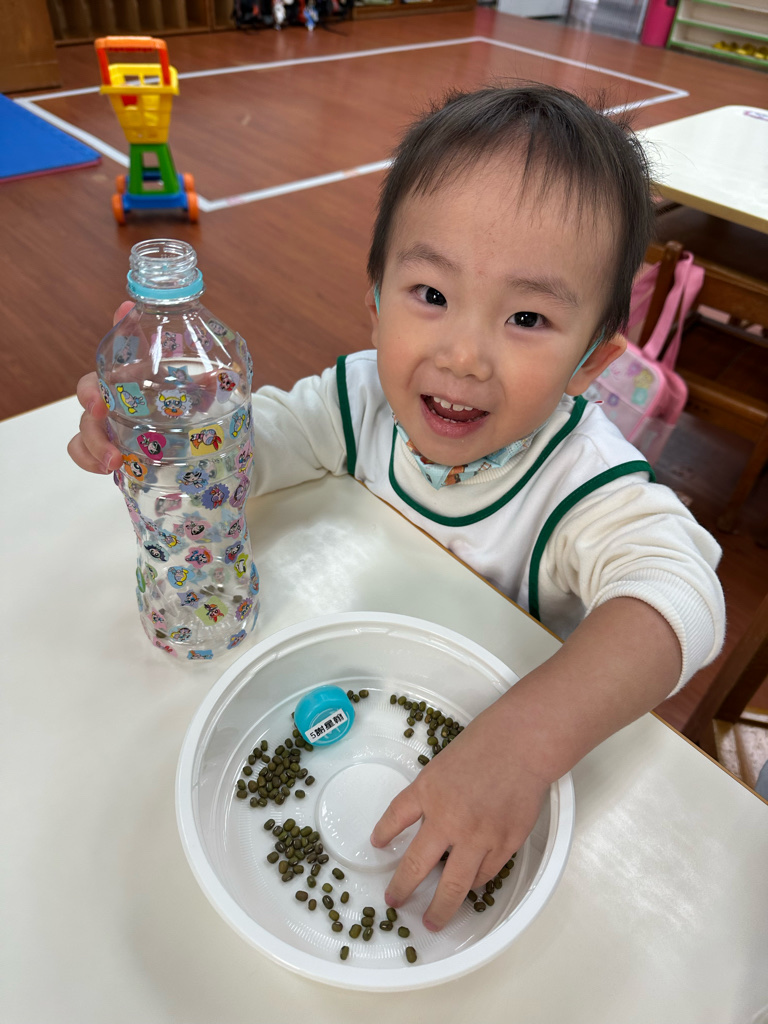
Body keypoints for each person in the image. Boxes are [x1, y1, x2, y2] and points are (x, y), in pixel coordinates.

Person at [68, 84, 725, 933]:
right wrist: (173, 433)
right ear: (375, 303)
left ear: (591, 362)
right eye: (431, 295)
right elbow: (262, 447)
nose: (463, 355)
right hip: (353, 716)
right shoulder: (362, 398)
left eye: (527, 317)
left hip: (492, 759)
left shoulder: (582, 480)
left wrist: (527, 743)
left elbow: (683, 593)